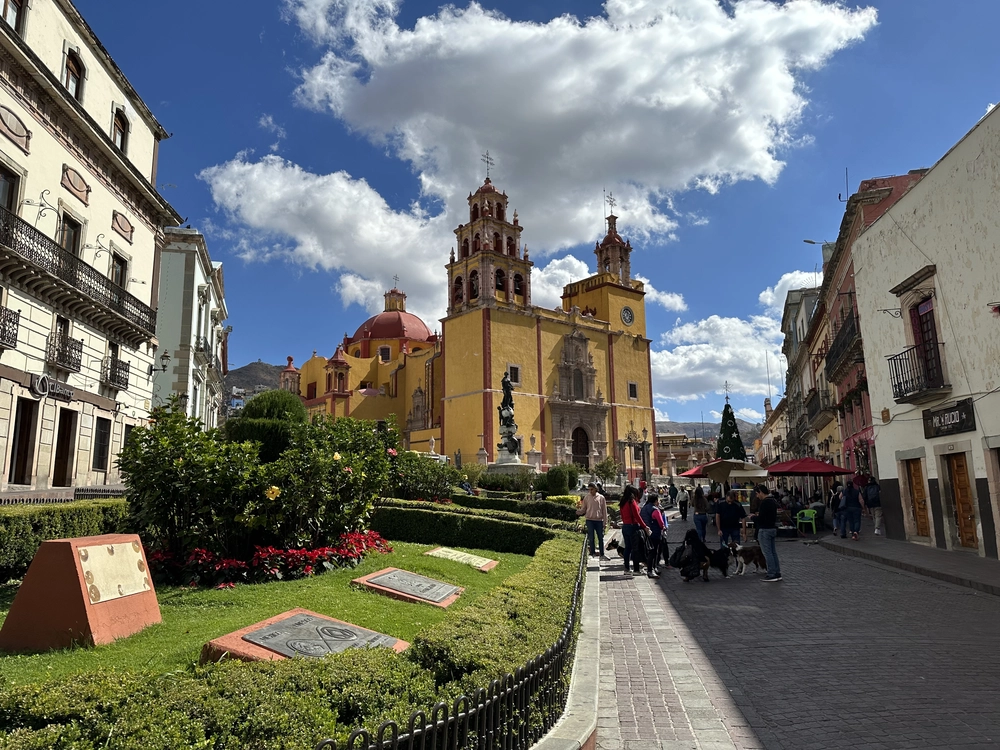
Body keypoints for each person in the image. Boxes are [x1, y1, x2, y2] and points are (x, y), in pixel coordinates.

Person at [619, 485, 649, 579]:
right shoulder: (631, 502)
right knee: (635, 548)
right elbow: (637, 516)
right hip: (633, 526)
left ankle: (626, 568)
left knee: (627, 548)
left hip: (625, 526)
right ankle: (636, 570)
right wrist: (645, 526)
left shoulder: (623, 502)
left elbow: (623, 516)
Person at [754, 484, 782, 582]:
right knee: (773, 552)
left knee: (767, 553)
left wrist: (753, 517)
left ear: (761, 492)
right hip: (772, 528)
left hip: (765, 529)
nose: (757, 496)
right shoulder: (773, 501)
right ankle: (777, 572)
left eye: (757, 494)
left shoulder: (764, 503)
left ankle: (771, 574)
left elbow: (761, 519)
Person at [579, 482, 610, 560]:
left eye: (592, 489)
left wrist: (605, 522)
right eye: (589, 490)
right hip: (589, 520)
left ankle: (602, 554)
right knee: (591, 537)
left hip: (599, 520)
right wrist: (577, 512)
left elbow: (604, 511)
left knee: (600, 538)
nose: (590, 491)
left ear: (596, 489)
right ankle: (592, 553)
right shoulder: (587, 497)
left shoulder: (601, 497)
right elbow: (584, 509)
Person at [640, 494, 666, 578]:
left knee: (650, 551)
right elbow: (661, 523)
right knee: (654, 552)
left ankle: (653, 568)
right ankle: (651, 570)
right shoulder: (655, 510)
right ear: (655, 501)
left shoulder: (644, 508)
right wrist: (663, 528)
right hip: (654, 532)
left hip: (646, 532)